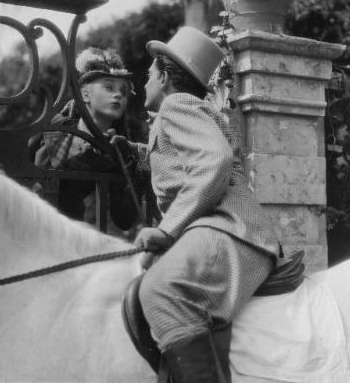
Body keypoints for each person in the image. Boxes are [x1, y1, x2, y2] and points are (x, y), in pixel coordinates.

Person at [112, 27, 281, 382]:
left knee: (160, 289)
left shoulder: (176, 106)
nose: (143, 85)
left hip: (229, 227)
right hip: (230, 229)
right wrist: (132, 151)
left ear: (163, 76)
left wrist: (166, 229)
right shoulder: (185, 110)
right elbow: (179, 161)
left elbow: (214, 161)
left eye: (147, 76)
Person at [31, 47, 144, 232]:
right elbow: (34, 180)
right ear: (85, 94)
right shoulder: (56, 129)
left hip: (72, 230)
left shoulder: (118, 149)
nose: (118, 95)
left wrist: (132, 168)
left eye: (123, 92)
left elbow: (124, 218)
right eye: (109, 87)